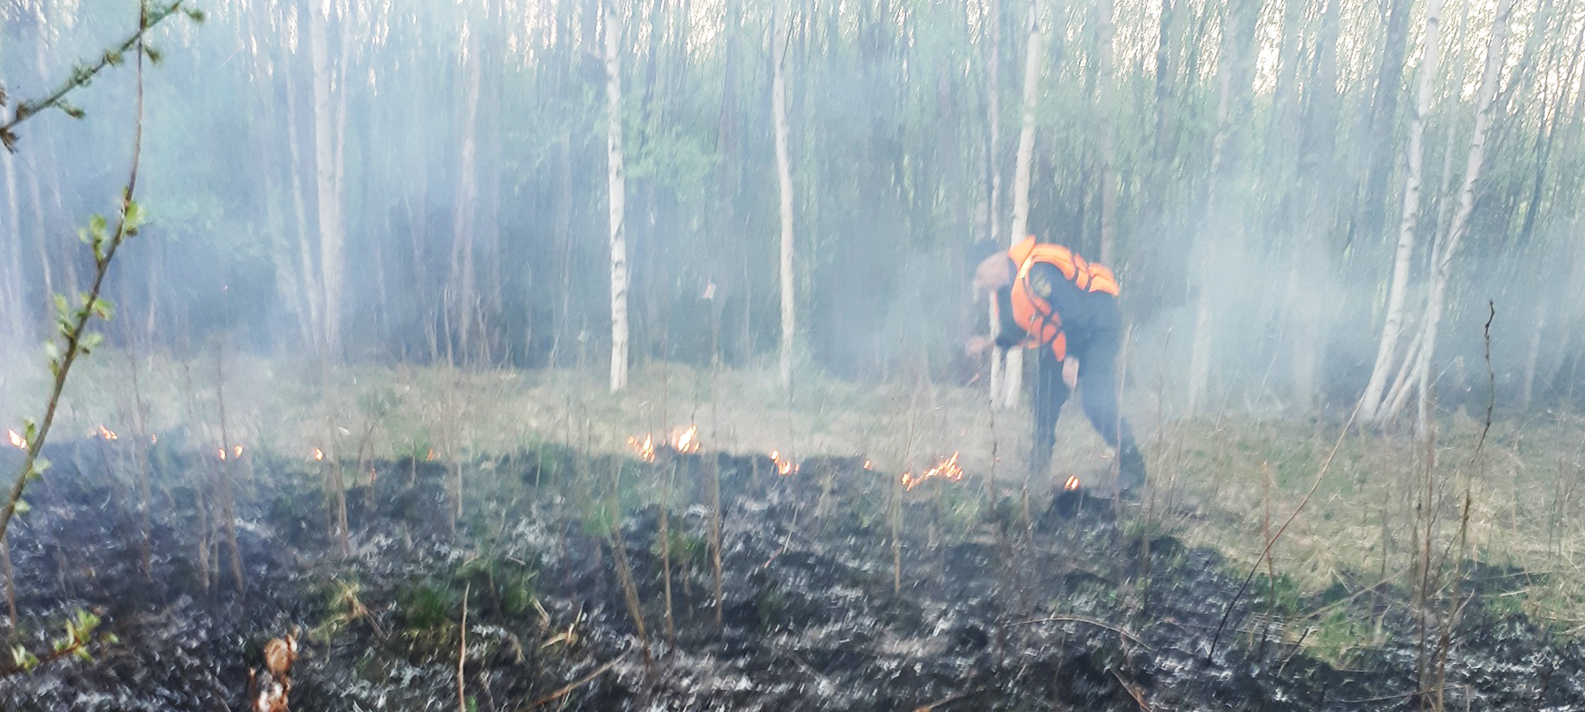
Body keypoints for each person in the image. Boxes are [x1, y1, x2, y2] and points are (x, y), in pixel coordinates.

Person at [967, 235, 1146, 492]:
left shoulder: (1036, 272)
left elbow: (1074, 312)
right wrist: (988, 342)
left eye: (979, 275)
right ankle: (1038, 470)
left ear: (993, 266)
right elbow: (1019, 332)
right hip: (1068, 336)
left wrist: (1072, 358)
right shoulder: (1006, 293)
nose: (979, 283)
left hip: (1097, 327)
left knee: (1095, 402)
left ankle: (1133, 467)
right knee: (1043, 395)